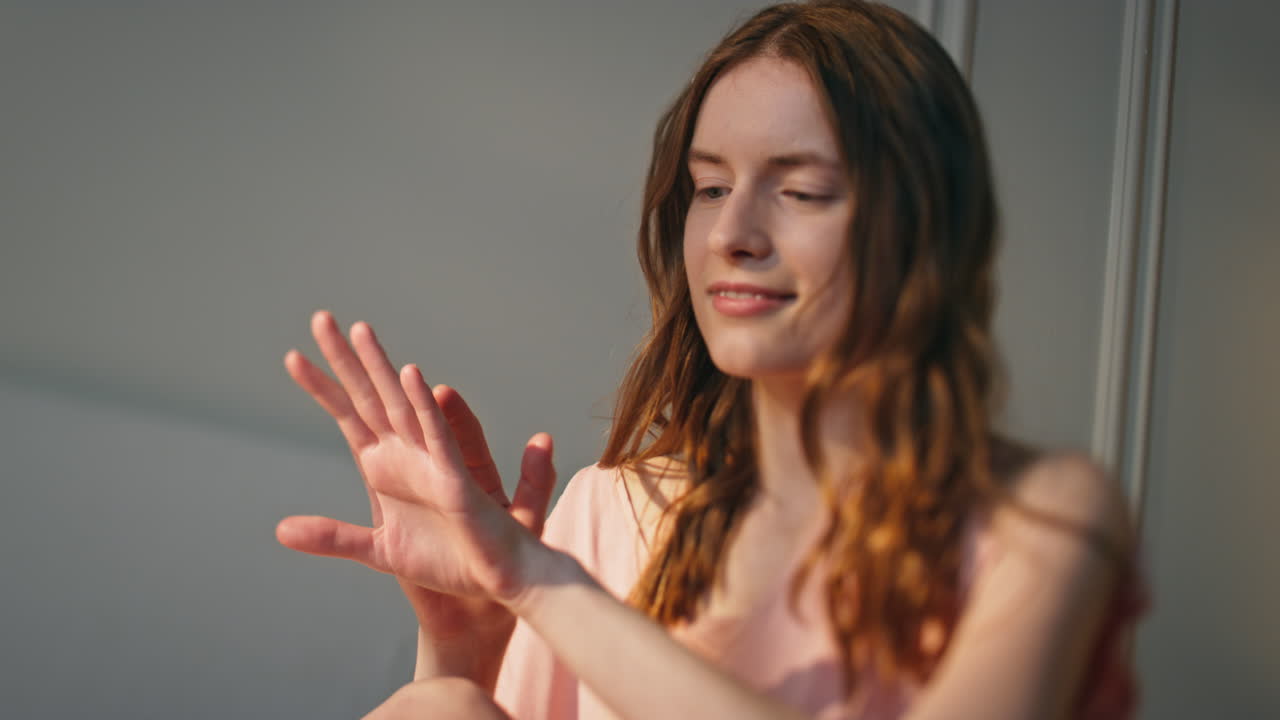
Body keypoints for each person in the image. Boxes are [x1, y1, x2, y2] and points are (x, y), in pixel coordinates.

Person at [275, 1, 1147, 718]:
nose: (732, 235)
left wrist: (540, 584)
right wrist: (460, 649)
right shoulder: (610, 512)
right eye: (711, 188)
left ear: (919, 226)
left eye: (800, 191)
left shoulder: (1039, 523)